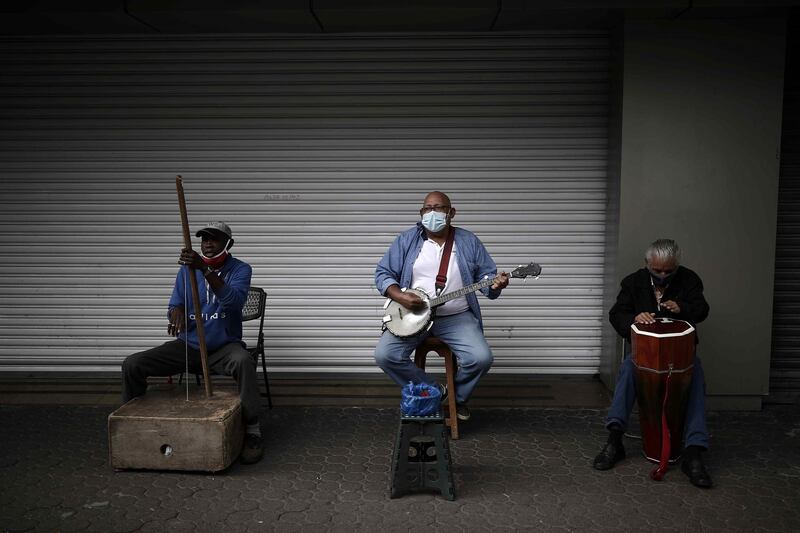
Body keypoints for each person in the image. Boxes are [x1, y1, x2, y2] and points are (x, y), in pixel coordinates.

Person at [121, 221, 264, 464]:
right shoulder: (186, 271)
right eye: (204, 239)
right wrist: (175, 312)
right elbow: (174, 303)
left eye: (214, 238)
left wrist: (205, 270)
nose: (207, 243)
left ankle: (252, 429)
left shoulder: (240, 269)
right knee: (133, 364)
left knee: (244, 362)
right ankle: (131, 421)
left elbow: (232, 303)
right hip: (189, 346)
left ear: (228, 243)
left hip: (223, 347)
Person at [374, 191, 509, 421]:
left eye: (439, 207)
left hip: (456, 316)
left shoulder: (468, 241)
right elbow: (383, 274)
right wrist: (400, 297)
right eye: (427, 208)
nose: (433, 212)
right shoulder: (407, 240)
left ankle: (458, 399)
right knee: (385, 355)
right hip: (414, 314)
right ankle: (439, 393)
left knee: (481, 358)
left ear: (451, 212)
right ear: (421, 213)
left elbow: (487, 281)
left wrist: (496, 284)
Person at [593, 238, 712, 488]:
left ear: (676, 265)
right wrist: (635, 317)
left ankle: (694, 451)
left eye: (669, 271)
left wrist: (683, 307)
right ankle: (615, 440)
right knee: (627, 369)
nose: (663, 275)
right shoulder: (633, 282)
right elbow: (617, 315)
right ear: (647, 263)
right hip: (644, 355)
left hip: (679, 355)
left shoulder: (689, 280)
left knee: (695, 374)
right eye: (656, 270)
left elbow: (701, 310)